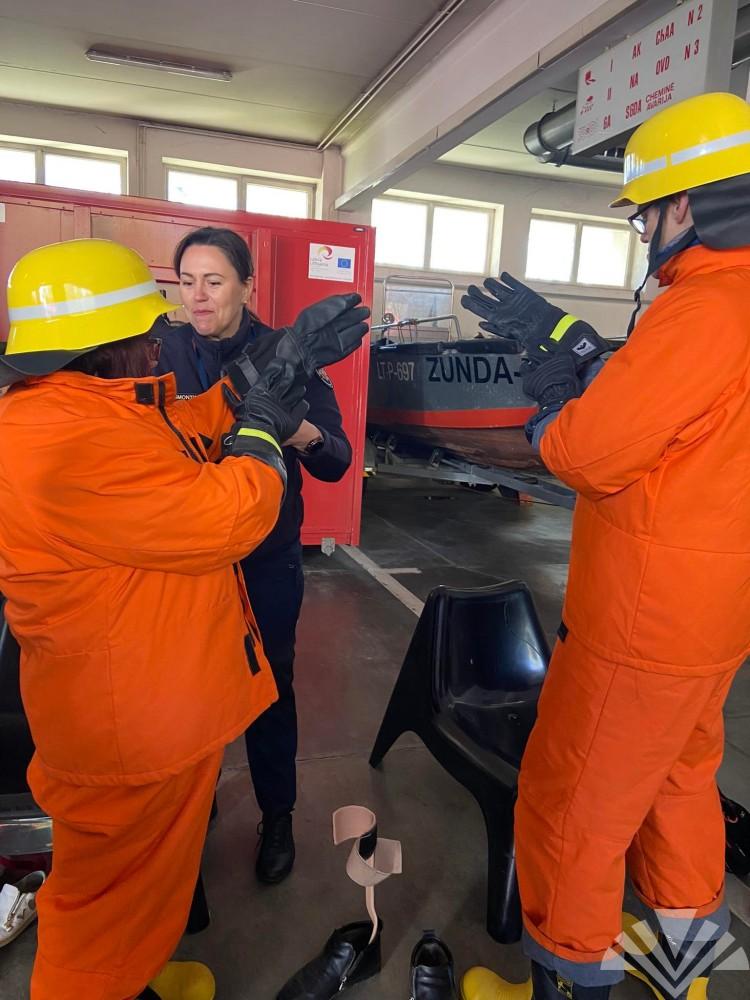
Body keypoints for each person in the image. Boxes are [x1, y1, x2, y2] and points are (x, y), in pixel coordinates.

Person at [0, 237, 368, 1000]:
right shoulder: (69, 443)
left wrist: (278, 366)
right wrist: (263, 420)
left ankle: (129, 979)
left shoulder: (77, 405)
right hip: (126, 726)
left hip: (142, 696)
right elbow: (233, 515)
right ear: (111, 345)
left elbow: (186, 422)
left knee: (127, 904)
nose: (162, 338)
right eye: (149, 329)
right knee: (99, 918)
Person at [460, 92, 750, 1000]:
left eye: (646, 213)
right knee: (679, 786)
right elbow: (692, 425)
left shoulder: (701, 310)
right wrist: (581, 349)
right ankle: (685, 977)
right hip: (714, 620)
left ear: (688, 204)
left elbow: (586, 453)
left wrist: (556, 397)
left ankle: (568, 980)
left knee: (572, 804)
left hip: (641, 621)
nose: (644, 232)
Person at [156, 227, 362, 884]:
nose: (198, 296)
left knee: (270, 684)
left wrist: (291, 426)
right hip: (187, 556)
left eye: (214, 281)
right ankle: (197, 802)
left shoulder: (289, 350)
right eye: (187, 281)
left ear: (247, 285)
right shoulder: (158, 349)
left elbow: (335, 459)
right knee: (188, 689)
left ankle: (277, 815)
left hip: (264, 555)